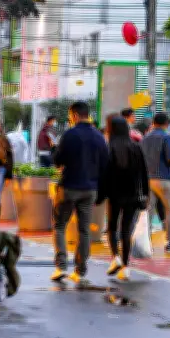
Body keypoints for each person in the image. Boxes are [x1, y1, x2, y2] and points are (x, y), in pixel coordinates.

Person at [52, 101, 109, 286]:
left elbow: (58, 160)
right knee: (84, 230)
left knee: (60, 225)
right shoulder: (99, 137)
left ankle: (61, 266)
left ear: (75, 115)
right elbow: (105, 165)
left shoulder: (70, 134)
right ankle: (80, 270)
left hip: (69, 187)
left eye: (70, 116)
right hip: (90, 189)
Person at [97, 117, 149, 281]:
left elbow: (104, 175)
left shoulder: (109, 148)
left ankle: (115, 257)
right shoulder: (135, 147)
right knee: (126, 230)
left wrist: (100, 195)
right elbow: (144, 173)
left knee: (112, 227)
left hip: (114, 194)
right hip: (133, 195)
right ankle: (126, 267)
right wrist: (145, 193)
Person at [141, 112, 170, 252]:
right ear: (166, 124)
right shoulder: (166, 137)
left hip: (148, 178)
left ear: (153, 122)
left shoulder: (145, 137)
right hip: (164, 178)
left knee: (148, 211)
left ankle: (145, 241)